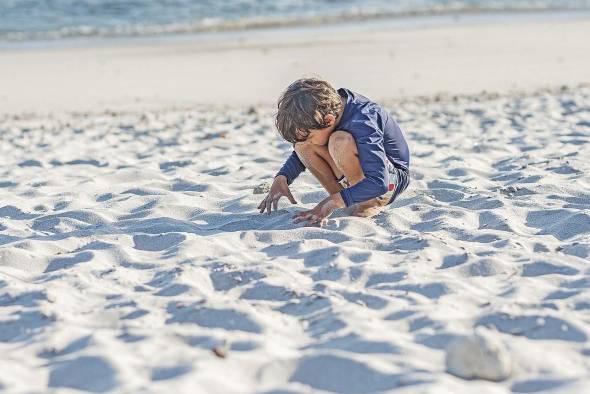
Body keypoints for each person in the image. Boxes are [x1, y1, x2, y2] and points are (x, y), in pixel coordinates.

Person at [258, 78, 410, 225]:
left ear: (329, 120)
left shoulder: (363, 119)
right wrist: (283, 177)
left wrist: (330, 203)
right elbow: (303, 148)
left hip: (388, 182)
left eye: (309, 136)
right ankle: (346, 200)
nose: (308, 140)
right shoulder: (323, 109)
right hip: (360, 178)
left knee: (339, 141)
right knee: (301, 146)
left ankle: (367, 204)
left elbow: (379, 182)